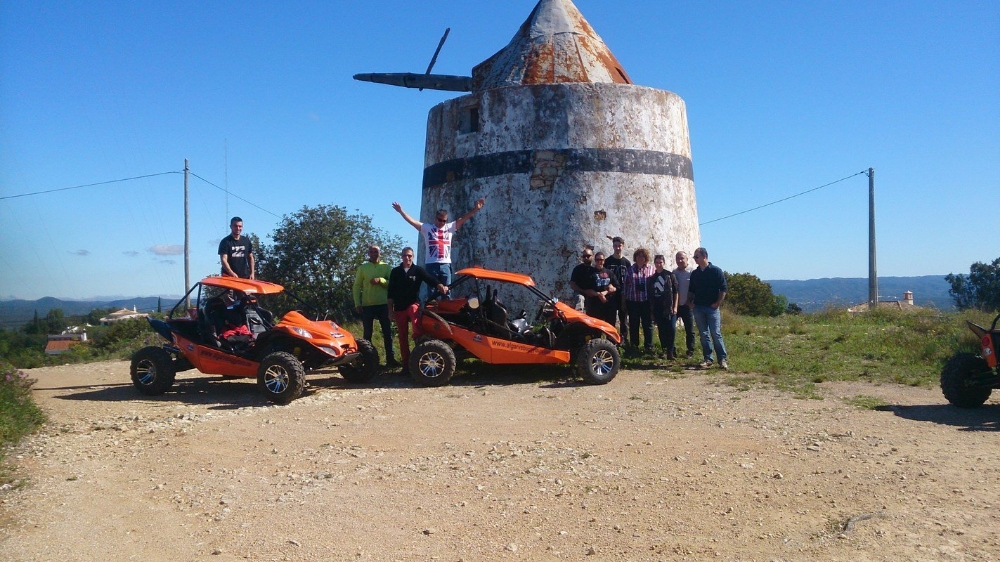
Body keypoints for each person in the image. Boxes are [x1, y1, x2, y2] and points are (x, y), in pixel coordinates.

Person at [391, 198, 486, 288]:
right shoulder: (427, 228)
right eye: (439, 220)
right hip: (431, 264)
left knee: (447, 289)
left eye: (444, 221)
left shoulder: (450, 227)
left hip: (445, 264)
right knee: (432, 291)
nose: (441, 223)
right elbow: (412, 221)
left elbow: (463, 218)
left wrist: (476, 209)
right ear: (435, 218)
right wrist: (401, 211)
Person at [386, 247, 449, 370]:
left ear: (413, 257)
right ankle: (406, 365)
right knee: (402, 337)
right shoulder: (395, 272)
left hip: (412, 303)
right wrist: (390, 310)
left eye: (409, 255)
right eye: (405, 255)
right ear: (401, 257)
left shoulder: (417, 270)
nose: (407, 258)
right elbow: (390, 293)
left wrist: (440, 285)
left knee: (415, 315)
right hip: (399, 307)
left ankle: (419, 348)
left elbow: (429, 279)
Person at [352, 245, 396, 367]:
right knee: (367, 334)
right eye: (371, 251)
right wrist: (357, 303)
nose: (373, 253)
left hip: (383, 304)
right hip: (367, 305)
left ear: (379, 253)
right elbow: (356, 286)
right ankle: (367, 360)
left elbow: (392, 285)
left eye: (375, 251)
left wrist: (381, 280)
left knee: (387, 333)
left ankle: (391, 360)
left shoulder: (386, 267)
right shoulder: (363, 268)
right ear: (368, 254)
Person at [687, 247, 728, 370]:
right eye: (694, 257)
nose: (695, 259)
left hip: (712, 308)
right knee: (704, 334)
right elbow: (691, 290)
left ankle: (722, 359)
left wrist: (718, 303)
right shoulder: (695, 273)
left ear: (704, 256)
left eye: (696, 257)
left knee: (716, 333)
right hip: (698, 307)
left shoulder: (716, 271)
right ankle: (708, 359)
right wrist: (690, 303)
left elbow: (723, 288)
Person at [621, 248, 655, 354]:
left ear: (646, 258)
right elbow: (625, 287)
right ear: (635, 258)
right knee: (633, 324)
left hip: (646, 301)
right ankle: (634, 346)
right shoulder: (630, 270)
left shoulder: (651, 269)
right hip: (633, 301)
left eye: (643, 256)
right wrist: (623, 302)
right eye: (638, 256)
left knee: (647, 324)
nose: (641, 258)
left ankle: (649, 347)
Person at [649, 254, 679, 360]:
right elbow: (651, 294)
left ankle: (671, 351)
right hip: (658, 307)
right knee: (662, 330)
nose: (658, 264)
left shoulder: (670, 276)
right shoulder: (652, 278)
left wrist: (675, 307)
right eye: (656, 262)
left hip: (669, 307)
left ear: (664, 263)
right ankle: (665, 350)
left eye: (660, 262)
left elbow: (676, 292)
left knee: (671, 329)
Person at [603, 236, 631, 343]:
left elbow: (629, 279)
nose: (617, 248)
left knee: (623, 318)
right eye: (615, 246)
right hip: (611, 294)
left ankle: (623, 339)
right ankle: (611, 339)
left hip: (623, 294)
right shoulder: (608, 261)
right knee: (610, 318)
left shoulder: (626, 263)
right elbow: (604, 276)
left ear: (623, 246)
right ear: (613, 246)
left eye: (619, 246)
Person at [673, 251, 696, 358]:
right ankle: (671, 350)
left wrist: (692, 302)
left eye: (682, 258)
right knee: (671, 328)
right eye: (677, 258)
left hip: (687, 305)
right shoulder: (674, 273)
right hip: (676, 306)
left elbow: (696, 289)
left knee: (689, 330)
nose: (680, 260)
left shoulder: (693, 272)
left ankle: (690, 350)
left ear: (687, 259)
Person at [589, 252, 619, 324]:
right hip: (595, 304)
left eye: (601, 260)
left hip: (609, 303)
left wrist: (607, 292)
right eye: (597, 260)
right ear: (595, 260)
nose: (599, 261)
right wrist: (599, 294)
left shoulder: (609, 273)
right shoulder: (590, 273)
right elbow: (587, 289)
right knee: (596, 326)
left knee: (610, 326)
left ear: (604, 261)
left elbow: (617, 287)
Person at [569, 247, 597, 313]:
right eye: (584, 256)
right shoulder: (577, 269)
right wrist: (584, 291)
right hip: (580, 292)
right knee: (580, 298)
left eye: (588, 256)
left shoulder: (596, 269)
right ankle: (579, 319)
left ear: (592, 256)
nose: (586, 258)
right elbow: (572, 284)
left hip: (593, 293)